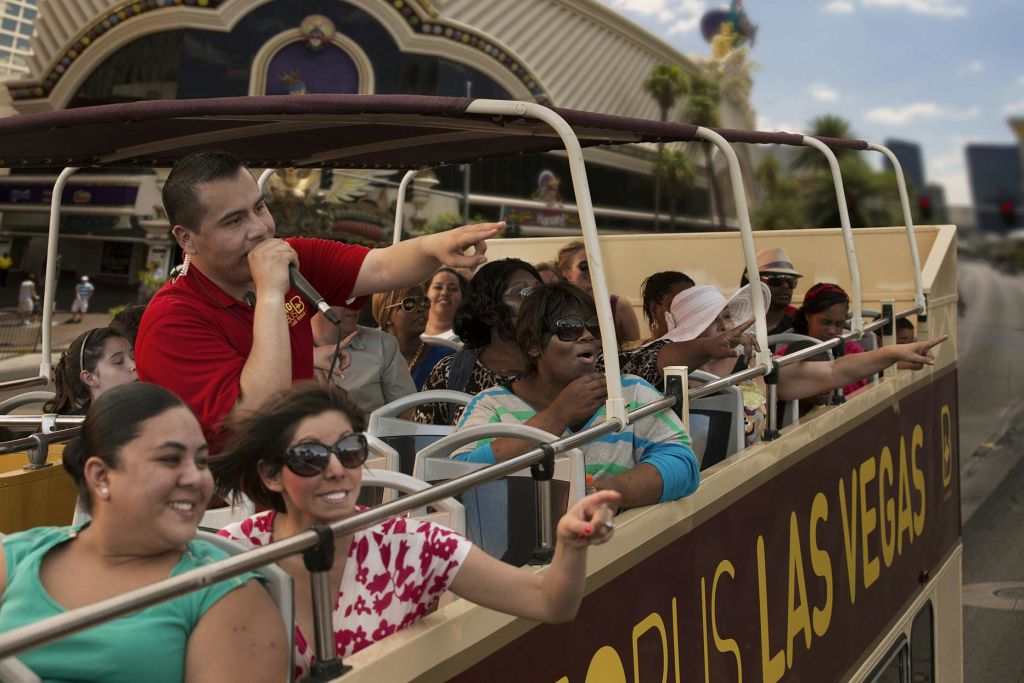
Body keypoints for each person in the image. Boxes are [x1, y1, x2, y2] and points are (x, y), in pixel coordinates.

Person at [212, 382, 618, 680]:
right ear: (270, 475)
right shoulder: (233, 556)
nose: (336, 469)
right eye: (309, 456)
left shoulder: (408, 545)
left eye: (350, 451)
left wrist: (569, 541)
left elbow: (550, 603)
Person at [134, 150, 500, 452]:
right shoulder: (172, 321)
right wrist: (272, 293)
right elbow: (259, 412)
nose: (259, 228)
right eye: (233, 221)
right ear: (187, 239)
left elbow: (382, 268)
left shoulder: (294, 256)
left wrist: (435, 245)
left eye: (259, 208)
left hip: (298, 472)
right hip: (216, 508)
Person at [0, 383, 288, 682]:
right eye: (170, 459)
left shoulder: (226, 590)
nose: (196, 478)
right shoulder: (18, 556)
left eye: (201, 461)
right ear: (100, 476)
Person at [415, 260, 760, 426]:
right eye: (523, 293)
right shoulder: (452, 373)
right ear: (487, 307)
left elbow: (647, 359)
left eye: (540, 291)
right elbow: (427, 448)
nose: (537, 300)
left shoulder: (572, 360)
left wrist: (708, 347)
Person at [451, 283, 699, 507]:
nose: (587, 336)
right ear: (533, 346)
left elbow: (683, 463)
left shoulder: (630, 392)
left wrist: (608, 494)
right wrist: (557, 416)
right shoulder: (492, 404)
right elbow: (456, 474)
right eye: (568, 328)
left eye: (592, 327)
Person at [661, 283, 947, 446]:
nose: (726, 327)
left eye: (726, 317)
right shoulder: (663, 378)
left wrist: (894, 352)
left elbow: (835, 371)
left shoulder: (756, 367)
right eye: (713, 322)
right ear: (691, 333)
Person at [310, 304, 416, 414]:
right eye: (342, 296)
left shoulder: (382, 344)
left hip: (368, 430)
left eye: (360, 298)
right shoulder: (292, 348)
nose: (354, 304)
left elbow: (407, 412)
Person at [786, 282, 868, 395]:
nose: (832, 331)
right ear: (808, 316)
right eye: (825, 322)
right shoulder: (790, 353)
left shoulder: (853, 352)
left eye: (839, 324)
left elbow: (855, 395)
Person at [555, 241, 641, 346]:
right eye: (584, 265)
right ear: (567, 273)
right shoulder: (559, 308)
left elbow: (636, 348)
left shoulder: (618, 306)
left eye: (595, 264)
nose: (591, 270)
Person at [372, 285, 453, 391]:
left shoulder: (445, 359)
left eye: (424, 302)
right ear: (386, 314)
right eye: (409, 304)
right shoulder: (368, 358)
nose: (421, 309)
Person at [43, 328, 137, 415]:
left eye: (133, 357)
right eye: (119, 361)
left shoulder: (146, 414)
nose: (134, 365)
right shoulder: (73, 429)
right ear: (89, 378)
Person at [739, 247, 803, 335]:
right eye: (776, 280)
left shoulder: (799, 325)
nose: (786, 286)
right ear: (753, 283)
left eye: (790, 281)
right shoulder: (733, 323)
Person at [639, 271, 695, 342]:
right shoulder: (634, 351)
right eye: (678, 305)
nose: (688, 312)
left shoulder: (700, 347)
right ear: (654, 310)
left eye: (692, 305)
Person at [423, 267, 468, 343]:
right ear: (426, 294)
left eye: (453, 289)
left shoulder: (469, 340)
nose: (444, 293)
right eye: (438, 287)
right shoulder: (411, 334)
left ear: (462, 297)